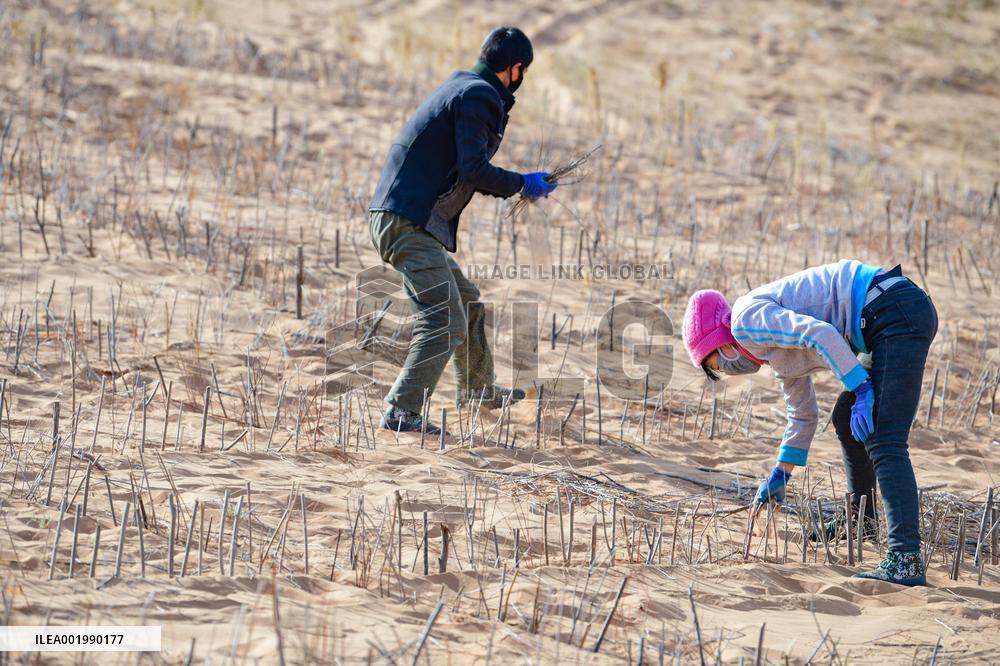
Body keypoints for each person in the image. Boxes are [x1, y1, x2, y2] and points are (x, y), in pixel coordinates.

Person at [681, 260, 938, 586]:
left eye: (716, 362)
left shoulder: (746, 321)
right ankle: (861, 521)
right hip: (885, 316)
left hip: (892, 310)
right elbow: (802, 414)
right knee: (845, 418)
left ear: (722, 341)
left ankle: (905, 560)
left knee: (883, 436)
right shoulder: (772, 352)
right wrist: (780, 475)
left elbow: (820, 334)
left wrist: (861, 388)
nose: (725, 370)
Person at [368, 27, 555, 433]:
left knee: (467, 301)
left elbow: (466, 170)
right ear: (515, 69)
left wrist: (516, 184)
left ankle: (477, 390)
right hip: (405, 221)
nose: (521, 80)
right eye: (523, 73)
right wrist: (521, 183)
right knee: (444, 318)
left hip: (403, 217)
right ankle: (401, 411)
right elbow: (474, 169)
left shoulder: (463, 86)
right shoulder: (479, 95)